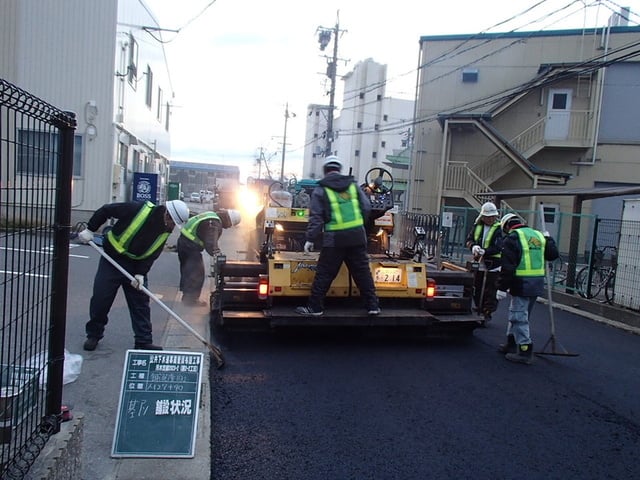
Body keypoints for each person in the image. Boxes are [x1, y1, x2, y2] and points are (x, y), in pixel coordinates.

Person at [77, 199, 190, 351]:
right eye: (173, 223)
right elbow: (106, 209)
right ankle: (94, 335)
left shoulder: (165, 230)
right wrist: (90, 230)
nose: (173, 227)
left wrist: (140, 274)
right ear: (167, 215)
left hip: (135, 266)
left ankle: (143, 341)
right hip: (112, 259)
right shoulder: (138, 208)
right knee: (101, 298)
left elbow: (152, 254)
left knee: (140, 304)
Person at [295, 156, 380, 316]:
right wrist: (359, 225)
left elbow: (316, 217)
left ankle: (315, 308)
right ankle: (373, 306)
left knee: (325, 273)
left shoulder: (321, 189)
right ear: (339, 169)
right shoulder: (353, 186)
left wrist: (310, 238)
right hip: (357, 237)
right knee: (362, 273)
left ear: (325, 170)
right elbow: (367, 207)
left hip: (335, 239)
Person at [497, 212, 559, 365]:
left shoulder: (512, 238)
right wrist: (549, 239)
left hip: (521, 283)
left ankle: (525, 350)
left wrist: (502, 288)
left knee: (518, 317)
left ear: (507, 226)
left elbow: (508, 266)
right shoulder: (537, 235)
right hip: (537, 283)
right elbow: (553, 255)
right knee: (520, 315)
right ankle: (511, 343)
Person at [177, 209, 241, 306]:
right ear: (228, 220)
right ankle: (191, 300)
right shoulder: (214, 224)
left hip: (184, 243)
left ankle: (187, 297)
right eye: (229, 225)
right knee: (197, 273)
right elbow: (211, 243)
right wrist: (218, 255)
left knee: (188, 271)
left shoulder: (211, 215)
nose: (227, 227)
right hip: (189, 246)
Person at [464, 201, 503, 320]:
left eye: (493, 216)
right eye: (488, 216)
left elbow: (498, 247)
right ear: (483, 216)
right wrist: (473, 246)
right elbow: (469, 239)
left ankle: (487, 311)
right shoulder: (477, 226)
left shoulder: (499, 229)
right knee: (476, 286)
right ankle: (478, 307)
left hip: (494, 265)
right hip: (478, 262)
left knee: (491, 290)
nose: (491, 219)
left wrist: (485, 251)